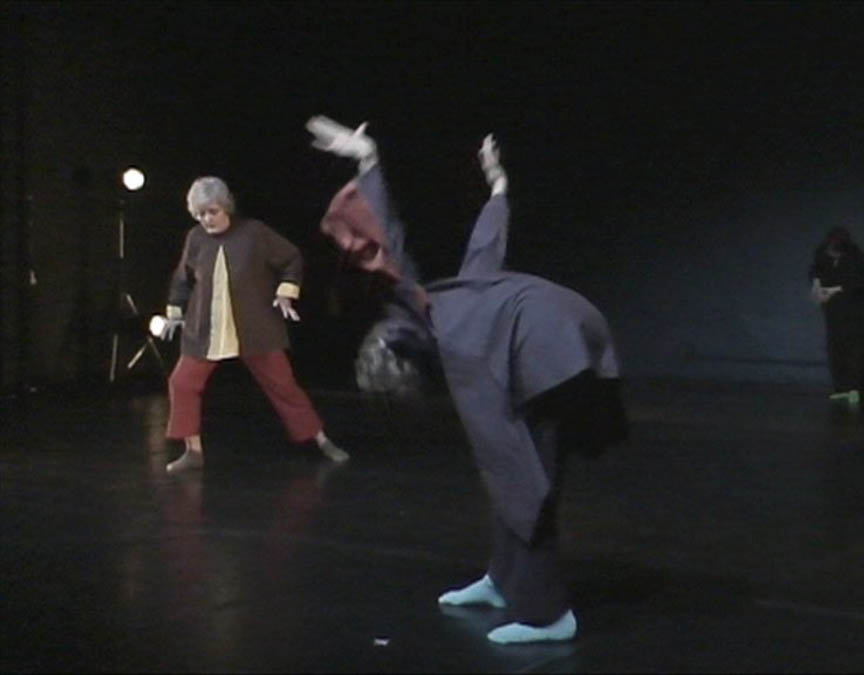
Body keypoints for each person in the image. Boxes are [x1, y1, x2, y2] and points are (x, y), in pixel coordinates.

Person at [307, 116, 627, 644]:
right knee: (510, 476)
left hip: (557, 352)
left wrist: (369, 162)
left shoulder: (461, 355)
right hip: (549, 327)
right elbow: (411, 250)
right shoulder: (423, 312)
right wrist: (492, 186)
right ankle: (502, 580)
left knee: (525, 481)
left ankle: (549, 615)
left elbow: (510, 463)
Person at [160, 176, 348, 473]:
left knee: (283, 385)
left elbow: (291, 258)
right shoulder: (195, 238)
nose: (206, 219)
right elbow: (182, 278)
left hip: (255, 327)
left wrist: (285, 292)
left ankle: (320, 439)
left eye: (212, 211)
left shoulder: (254, 233)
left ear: (225, 207)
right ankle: (193, 451)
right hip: (206, 329)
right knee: (181, 383)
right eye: (200, 214)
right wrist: (174, 312)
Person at [808, 226, 864, 408]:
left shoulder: (856, 260)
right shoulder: (822, 256)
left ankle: (854, 390)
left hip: (856, 315)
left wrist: (830, 290)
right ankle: (840, 388)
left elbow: (856, 284)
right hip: (834, 314)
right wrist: (817, 288)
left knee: (855, 353)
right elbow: (815, 273)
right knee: (835, 350)